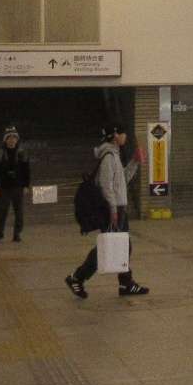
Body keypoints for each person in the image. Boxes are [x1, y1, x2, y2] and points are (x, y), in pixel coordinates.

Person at [66, 126, 148, 299]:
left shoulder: (114, 154)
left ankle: (125, 283)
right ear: (115, 135)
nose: (126, 136)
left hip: (118, 208)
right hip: (113, 209)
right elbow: (106, 186)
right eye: (123, 133)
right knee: (109, 247)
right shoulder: (109, 156)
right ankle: (77, 278)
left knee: (121, 245)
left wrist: (134, 162)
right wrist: (113, 209)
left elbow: (122, 180)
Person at [0, 125, 30, 243]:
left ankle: (17, 234)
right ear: (5, 139)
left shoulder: (22, 153)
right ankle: (0, 233)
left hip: (18, 187)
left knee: (19, 212)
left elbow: (27, 170)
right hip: (4, 187)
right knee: (1, 212)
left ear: (17, 139)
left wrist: (26, 185)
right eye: (9, 137)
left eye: (14, 137)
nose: (12, 140)